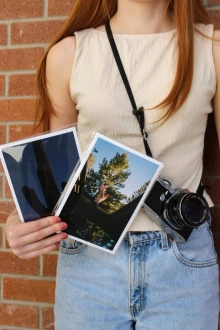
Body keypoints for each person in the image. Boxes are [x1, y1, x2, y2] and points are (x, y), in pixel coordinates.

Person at [5, 0, 220, 329]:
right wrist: (22, 223)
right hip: (88, 262)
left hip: (182, 259)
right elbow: (54, 178)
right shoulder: (69, 55)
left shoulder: (212, 50)